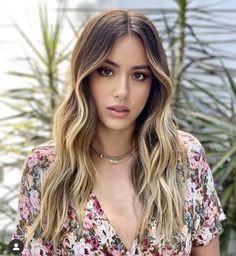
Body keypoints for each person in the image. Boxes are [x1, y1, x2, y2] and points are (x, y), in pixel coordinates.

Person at [11, 9, 226, 256]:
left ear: (153, 83)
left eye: (138, 75)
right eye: (106, 71)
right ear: (85, 75)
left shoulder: (185, 158)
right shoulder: (47, 167)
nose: (122, 91)